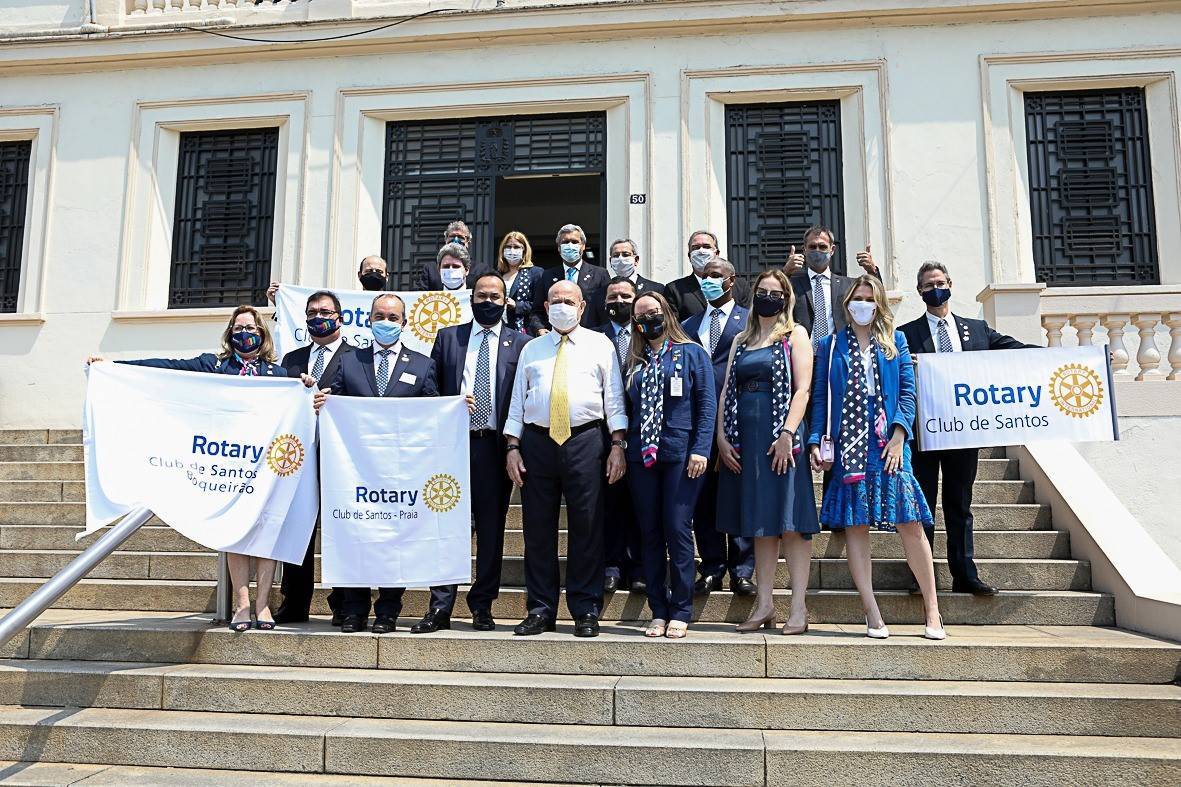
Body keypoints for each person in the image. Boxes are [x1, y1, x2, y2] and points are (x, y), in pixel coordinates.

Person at [85, 306, 298, 633]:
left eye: (252, 328)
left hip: (264, 468)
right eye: (239, 328)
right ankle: (242, 605)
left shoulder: (280, 376)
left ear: (263, 334)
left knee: (268, 535)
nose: (245, 334)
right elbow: (165, 370)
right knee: (236, 533)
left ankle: (263, 605)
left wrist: (306, 386)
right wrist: (115, 367)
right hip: (226, 463)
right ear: (230, 334)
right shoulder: (212, 366)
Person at [808, 276, 945, 641]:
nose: (863, 304)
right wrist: (814, 442)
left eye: (870, 298)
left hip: (887, 439)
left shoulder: (894, 341)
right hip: (848, 443)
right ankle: (871, 609)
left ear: (879, 303)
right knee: (856, 524)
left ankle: (933, 610)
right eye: (857, 298)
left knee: (911, 522)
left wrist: (900, 434)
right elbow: (820, 398)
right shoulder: (830, 345)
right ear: (847, 303)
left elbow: (908, 394)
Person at [899, 261, 1037, 596]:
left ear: (950, 283)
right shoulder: (905, 334)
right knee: (924, 504)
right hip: (925, 432)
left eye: (940, 282)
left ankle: (965, 574)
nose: (936, 288)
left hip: (964, 432)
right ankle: (922, 576)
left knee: (960, 504)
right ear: (919, 291)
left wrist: (1057, 359)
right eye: (929, 284)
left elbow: (1013, 350)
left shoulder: (976, 330)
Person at [504, 280, 628, 638]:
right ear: (545, 305)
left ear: (582, 306)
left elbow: (614, 397)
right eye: (556, 300)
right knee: (537, 530)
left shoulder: (600, 344)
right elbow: (517, 399)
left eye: (569, 300)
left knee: (587, 526)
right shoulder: (532, 348)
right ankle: (541, 609)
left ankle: (585, 608)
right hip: (537, 443)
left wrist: (617, 444)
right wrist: (513, 446)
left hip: (587, 440)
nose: (562, 305)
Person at [316, 293, 439, 634]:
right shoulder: (350, 362)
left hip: (401, 474)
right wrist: (325, 402)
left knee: (393, 541)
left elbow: (432, 412)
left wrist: (456, 408)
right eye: (379, 315)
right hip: (356, 471)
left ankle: (388, 610)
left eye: (392, 316)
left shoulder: (422, 365)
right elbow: (336, 402)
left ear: (404, 322)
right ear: (369, 320)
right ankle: (353, 610)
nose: (385, 321)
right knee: (357, 537)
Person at [414, 274, 530, 633]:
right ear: (471, 297)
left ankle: (482, 605)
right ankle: (440, 606)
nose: (488, 301)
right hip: (453, 445)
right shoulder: (449, 337)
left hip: (495, 447)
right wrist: (449, 405)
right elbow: (430, 387)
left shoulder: (521, 343)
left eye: (496, 296)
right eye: (482, 295)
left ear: (505, 299)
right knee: (447, 525)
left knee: (493, 530)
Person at [715, 269, 817, 634]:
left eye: (776, 292)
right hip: (745, 436)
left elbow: (803, 389)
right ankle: (765, 605)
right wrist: (721, 437)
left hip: (781, 438)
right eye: (763, 290)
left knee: (789, 523)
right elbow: (727, 387)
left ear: (786, 298)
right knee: (760, 525)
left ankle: (799, 607)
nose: (768, 297)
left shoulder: (795, 335)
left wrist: (788, 432)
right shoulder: (742, 338)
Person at [623, 292, 716, 639]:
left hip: (681, 454)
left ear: (666, 314)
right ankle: (657, 610)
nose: (648, 319)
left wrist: (701, 449)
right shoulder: (634, 359)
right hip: (641, 456)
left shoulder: (692, 353)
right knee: (649, 532)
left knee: (677, 528)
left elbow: (706, 406)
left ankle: (681, 608)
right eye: (641, 315)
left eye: (653, 312)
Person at [274, 290, 354, 625]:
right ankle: (294, 602)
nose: (317, 317)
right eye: (311, 312)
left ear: (340, 317)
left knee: (343, 531)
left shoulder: (358, 358)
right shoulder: (291, 360)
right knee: (297, 530)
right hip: (297, 458)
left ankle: (345, 603)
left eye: (324, 311)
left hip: (342, 460)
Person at [680, 258, 755, 596]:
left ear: (730, 279)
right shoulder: (688, 324)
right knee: (704, 496)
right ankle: (712, 566)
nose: (708, 280)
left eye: (715, 275)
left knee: (738, 493)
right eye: (704, 275)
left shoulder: (749, 319)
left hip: (738, 417)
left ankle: (743, 569)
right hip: (697, 419)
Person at [591, 277, 643, 593]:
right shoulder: (594, 337)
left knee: (639, 503)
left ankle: (638, 568)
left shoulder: (646, 336)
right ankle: (611, 565)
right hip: (602, 433)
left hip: (641, 431)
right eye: (613, 296)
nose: (619, 301)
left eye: (625, 295)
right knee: (608, 503)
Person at [784, 226, 880, 346]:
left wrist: (872, 271)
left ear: (832, 249)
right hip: (802, 355)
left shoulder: (848, 285)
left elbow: (878, 300)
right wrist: (785, 273)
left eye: (822, 247)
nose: (817, 250)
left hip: (838, 355)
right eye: (812, 247)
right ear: (804, 249)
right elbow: (771, 302)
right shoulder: (792, 284)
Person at [665, 230, 751, 319]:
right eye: (696, 247)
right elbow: (673, 328)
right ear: (689, 256)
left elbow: (748, 320)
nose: (701, 251)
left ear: (717, 253)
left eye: (706, 247)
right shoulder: (674, 289)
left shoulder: (740, 286)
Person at [543, 224, 610, 327]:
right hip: (556, 334)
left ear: (583, 246)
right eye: (565, 242)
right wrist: (540, 328)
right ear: (559, 247)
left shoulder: (600, 274)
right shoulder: (547, 275)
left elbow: (605, 308)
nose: (570, 245)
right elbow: (538, 309)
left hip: (590, 333)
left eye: (574, 242)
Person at [586, 239, 665, 326]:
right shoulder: (599, 294)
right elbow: (592, 326)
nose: (620, 259)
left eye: (625, 255)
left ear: (636, 260)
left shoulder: (656, 289)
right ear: (610, 261)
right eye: (616, 255)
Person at [265, 255, 389, 306]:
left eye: (378, 272)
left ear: (386, 276)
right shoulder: (344, 303)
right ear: (359, 275)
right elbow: (299, 317)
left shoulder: (399, 304)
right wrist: (280, 302)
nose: (373, 275)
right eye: (368, 271)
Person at [415, 221, 493, 291]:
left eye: (460, 237)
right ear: (446, 241)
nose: (456, 240)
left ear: (468, 243)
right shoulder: (430, 269)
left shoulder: (481, 270)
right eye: (452, 237)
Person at [497, 231, 547, 336]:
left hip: (524, 330)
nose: (512, 251)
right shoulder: (497, 274)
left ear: (524, 250)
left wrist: (517, 305)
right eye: (508, 247)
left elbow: (540, 305)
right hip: (500, 327)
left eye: (516, 247)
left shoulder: (535, 273)